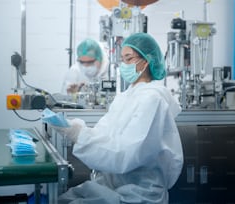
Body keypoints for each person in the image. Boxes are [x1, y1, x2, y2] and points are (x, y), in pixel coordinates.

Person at [56, 33, 184, 204]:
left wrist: (78, 136)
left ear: (145, 61)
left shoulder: (152, 99)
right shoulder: (125, 97)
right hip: (113, 185)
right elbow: (104, 134)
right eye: (122, 59)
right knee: (63, 199)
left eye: (129, 58)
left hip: (139, 193)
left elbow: (126, 154)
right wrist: (75, 129)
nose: (124, 65)